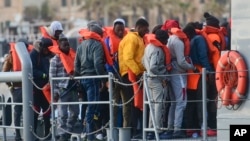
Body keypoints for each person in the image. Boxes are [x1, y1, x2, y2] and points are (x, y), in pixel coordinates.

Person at [160, 19, 196, 139]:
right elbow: (181, 61)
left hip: (170, 72)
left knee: (174, 102)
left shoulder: (169, 40)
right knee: (181, 102)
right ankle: (177, 129)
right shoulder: (178, 41)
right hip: (179, 74)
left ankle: (171, 128)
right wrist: (192, 67)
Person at [75, 21, 109, 141]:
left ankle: (86, 131)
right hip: (93, 79)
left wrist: (78, 79)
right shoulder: (97, 45)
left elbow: (76, 66)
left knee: (87, 106)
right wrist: (104, 78)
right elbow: (98, 64)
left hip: (83, 79)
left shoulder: (81, 45)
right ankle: (90, 135)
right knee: (92, 107)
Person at [118, 18, 149, 138]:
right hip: (130, 75)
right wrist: (138, 72)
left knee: (138, 104)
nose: (146, 32)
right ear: (139, 28)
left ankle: (138, 131)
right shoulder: (132, 38)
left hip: (136, 74)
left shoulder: (138, 38)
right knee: (133, 104)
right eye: (145, 30)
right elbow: (128, 58)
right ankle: (133, 132)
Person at [182, 23, 214, 137]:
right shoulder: (199, 39)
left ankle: (190, 128)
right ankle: (203, 126)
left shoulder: (189, 41)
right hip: (199, 72)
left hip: (190, 74)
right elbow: (203, 56)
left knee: (191, 102)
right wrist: (209, 72)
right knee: (201, 101)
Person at [49, 34, 79, 141]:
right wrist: (56, 92)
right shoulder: (54, 60)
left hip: (73, 88)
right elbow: (52, 78)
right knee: (62, 114)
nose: (67, 47)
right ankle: (62, 134)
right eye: (65, 45)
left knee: (75, 112)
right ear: (59, 46)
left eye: (68, 45)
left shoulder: (73, 57)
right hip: (62, 90)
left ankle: (69, 130)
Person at [142, 29, 170, 140]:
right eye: (166, 39)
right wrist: (162, 77)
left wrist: (148, 71)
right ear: (162, 39)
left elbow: (143, 61)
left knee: (153, 106)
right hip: (156, 80)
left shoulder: (148, 47)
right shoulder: (157, 49)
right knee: (159, 105)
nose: (167, 41)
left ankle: (150, 131)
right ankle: (157, 130)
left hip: (149, 79)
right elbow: (154, 67)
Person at [1, 38, 31, 141]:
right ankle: (18, 134)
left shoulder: (30, 55)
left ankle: (29, 133)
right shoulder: (11, 57)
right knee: (18, 112)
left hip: (30, 89)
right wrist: (11, 87)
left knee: (29, 111)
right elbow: (4, 73)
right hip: (18, 89)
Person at [30, 37, 54, 140]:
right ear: (43, 47)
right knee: (35, 111)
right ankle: (33, 135)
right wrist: (44, 75)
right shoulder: (34, 54)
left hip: (46, 88)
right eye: (47, 49)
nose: (48, 51)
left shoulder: (47, 55)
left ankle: (47, 135)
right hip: (36, 87)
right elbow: (32, 69)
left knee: (47, 110)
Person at [104, 18, 126, 127]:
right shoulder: (107, 41)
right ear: (114, 29)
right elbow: (107, 60)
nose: (120, 32)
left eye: (122, 30)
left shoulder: (128, 39)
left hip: (126, 77)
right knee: (114, 104)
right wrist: (111, 75)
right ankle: (114, 128)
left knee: (126, 104)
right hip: (113, 76)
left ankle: (125, 128)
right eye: (118, 30)